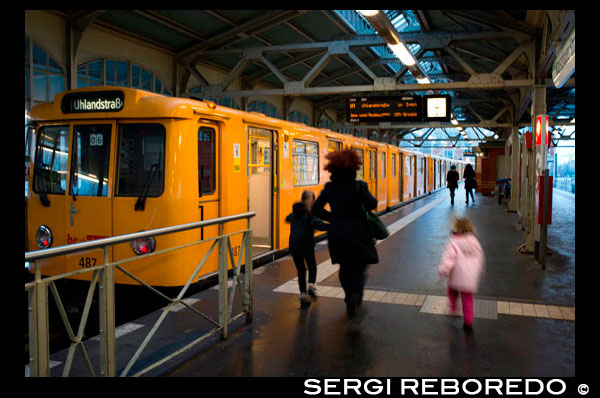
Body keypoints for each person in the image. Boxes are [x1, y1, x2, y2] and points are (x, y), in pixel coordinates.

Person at [312, 149, 379, 318]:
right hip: (359, 233)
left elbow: (315, 209)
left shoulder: (329, 188)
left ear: (332, 169)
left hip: (337, 234)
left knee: (344, 269)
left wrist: (333, 217)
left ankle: (349, 295)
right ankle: (354, 296)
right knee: (359, 268)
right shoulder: (359, 186)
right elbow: (371, 204)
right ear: (353, 169)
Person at [437, 217, 485, 332]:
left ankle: (453, 309)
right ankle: (468, 322)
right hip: (470, 278)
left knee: (452, 291)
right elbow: (480, 258)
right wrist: (479, 272)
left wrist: (443, 271)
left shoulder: (454, 241)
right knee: (468, 299)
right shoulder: (475, 242)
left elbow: (449, 259)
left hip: (456, 275)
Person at [285, 190, 329, 307]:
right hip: (306, 245)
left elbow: (287, 218)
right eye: (312, 199)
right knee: (312, 266)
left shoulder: (295, 212)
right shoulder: (309, 214)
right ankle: (311, 286)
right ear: (310, 200)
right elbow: (319, 224)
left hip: (294, 246)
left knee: (301, 270)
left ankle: (303, 295)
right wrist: (333, 226)